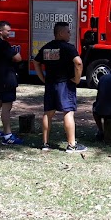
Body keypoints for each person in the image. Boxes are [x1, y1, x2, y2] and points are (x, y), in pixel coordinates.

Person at [33, 22, 87, 153]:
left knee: (48, 113)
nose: (70, 34)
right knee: (68, 112)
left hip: (50, 84)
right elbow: (78, 63)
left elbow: (36, 61)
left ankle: (45, 143)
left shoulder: (47, 47)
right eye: (68, 31)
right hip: (65, 84)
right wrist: (77, 79)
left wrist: (42, 78)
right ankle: (71, 145)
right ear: (60, 33)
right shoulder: (68, 48)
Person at [0, 20, 23, 145]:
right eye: (8, 31)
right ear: (0, 31)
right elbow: (18, 58)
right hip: (6, 79)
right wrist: (16, 52)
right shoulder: (3, 44)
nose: (9, 33)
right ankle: (8, 136)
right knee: (6, 107)